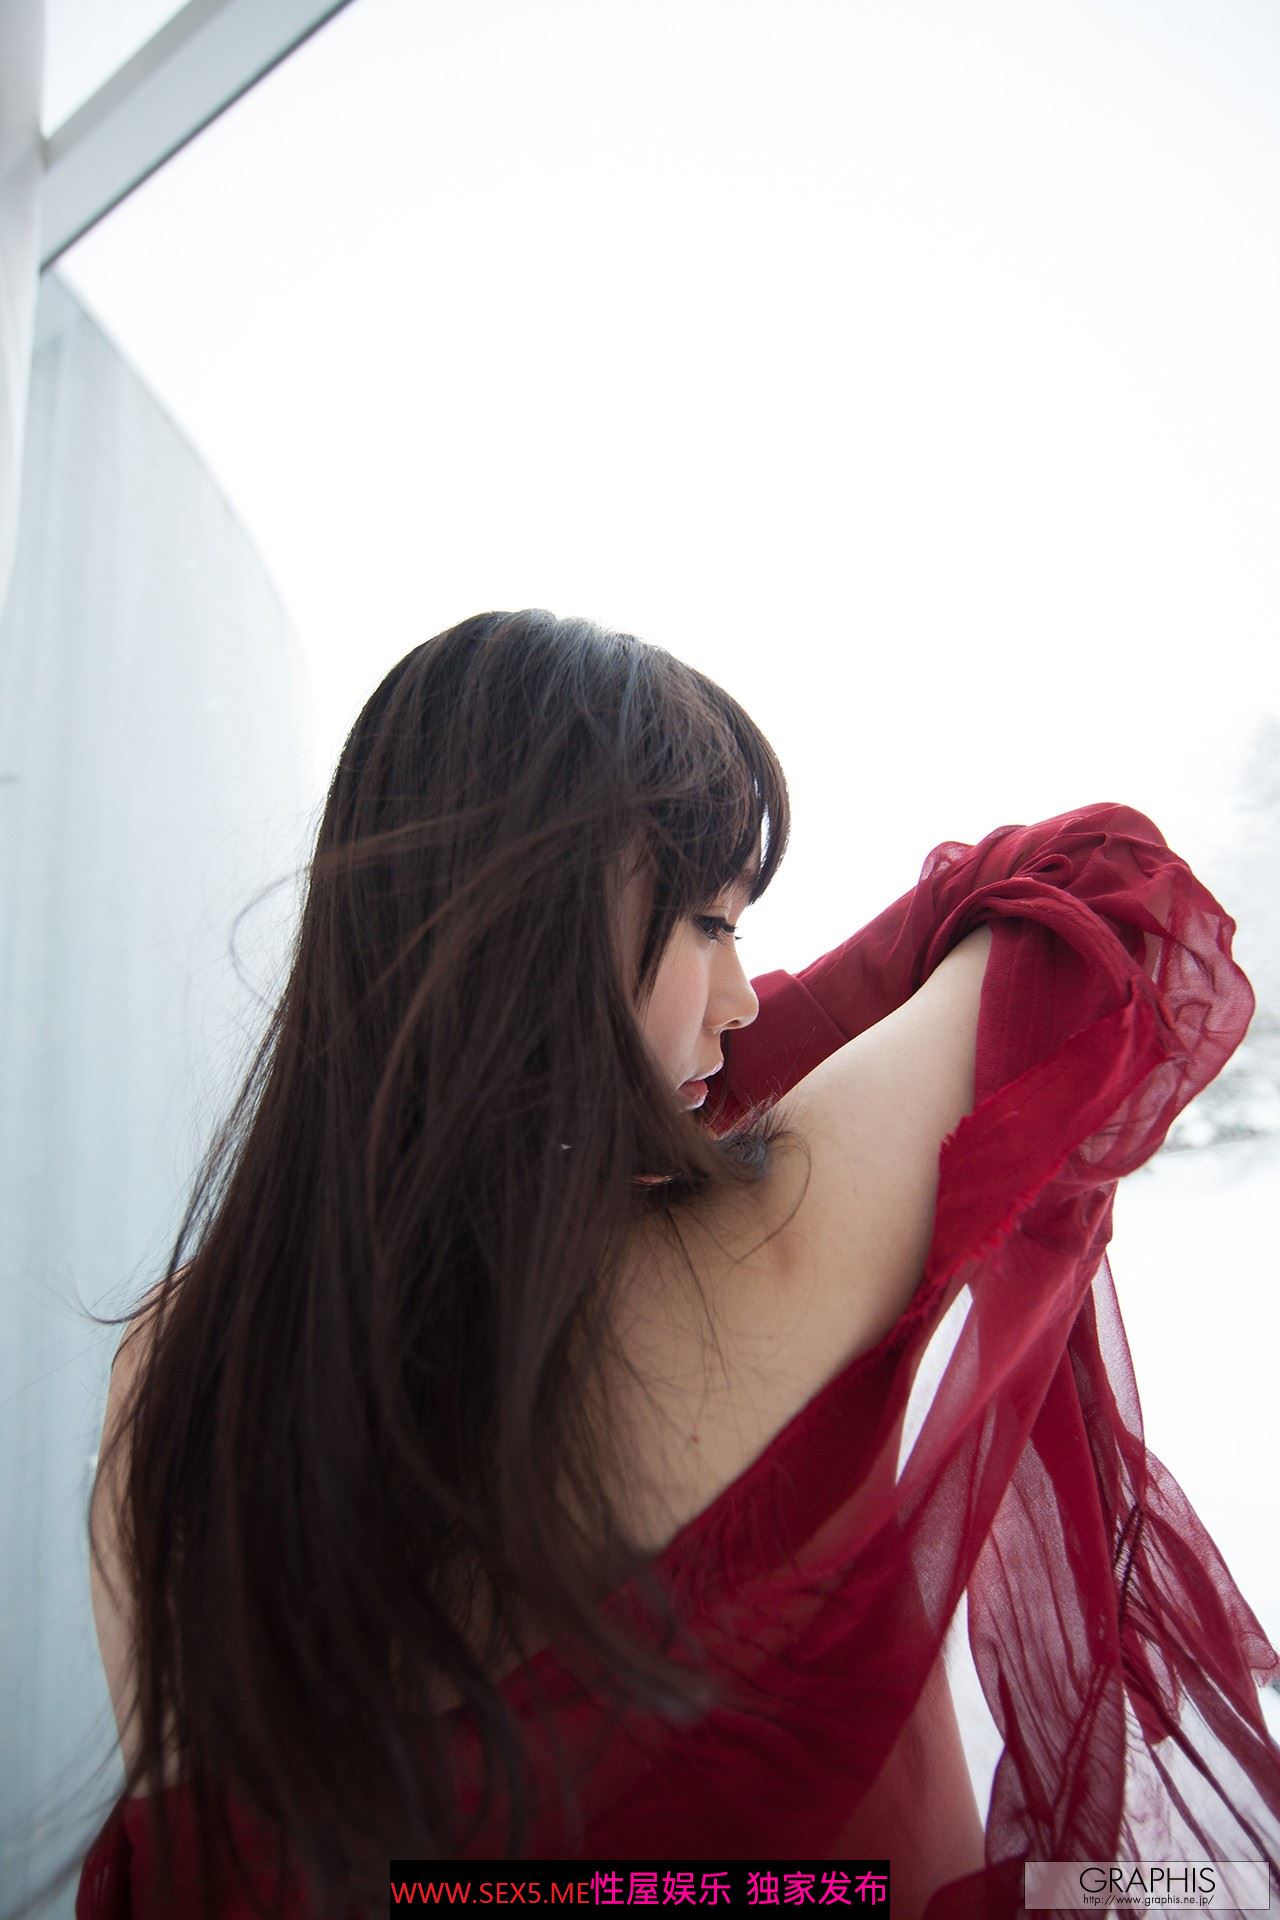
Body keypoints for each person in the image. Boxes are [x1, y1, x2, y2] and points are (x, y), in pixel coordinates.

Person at [65, 610, 1278, 1920]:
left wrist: (653, 1088)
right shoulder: (753, 1260)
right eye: (708, 925)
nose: (741, 995)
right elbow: (1110, 894)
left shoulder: (171, 1370)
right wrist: (738, 1081)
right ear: (527, 934)